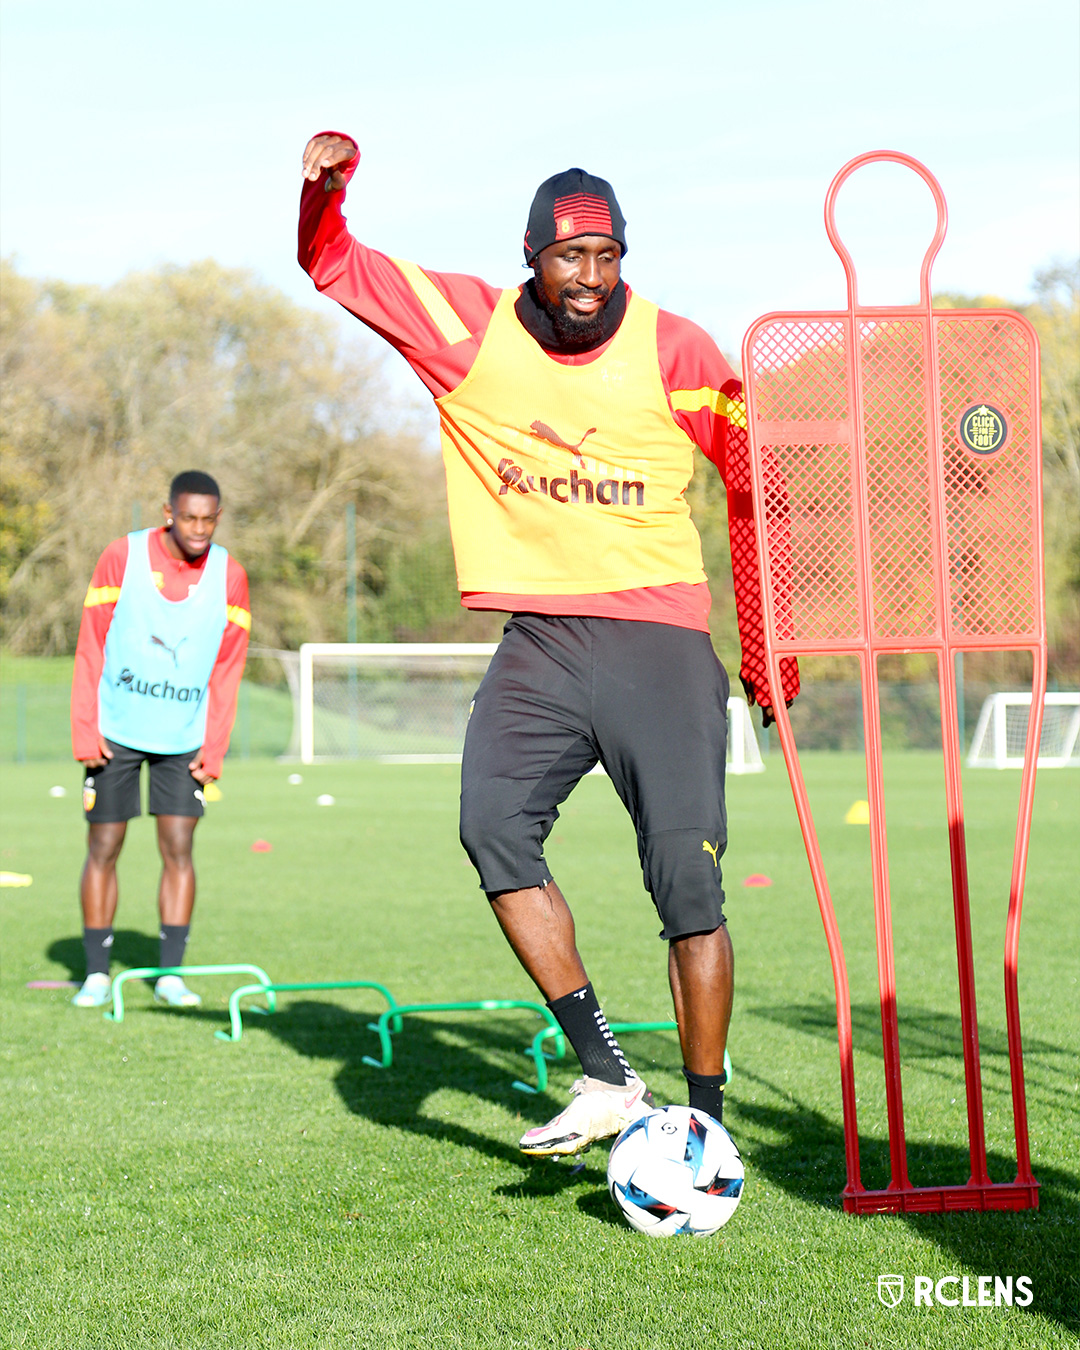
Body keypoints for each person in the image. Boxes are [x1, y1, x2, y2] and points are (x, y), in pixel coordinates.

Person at [298, 133, 798, 1156]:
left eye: (608, 258)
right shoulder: (470, 326)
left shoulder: (677, 349)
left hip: (660, 643)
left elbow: (763, 482)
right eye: (570, 259)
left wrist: (772, 646)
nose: (590, 280)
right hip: (544, 643)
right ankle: (608, 1074)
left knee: (687, 886)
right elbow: (332, 263)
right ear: (532, 256)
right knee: (492, 827)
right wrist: (325, 189)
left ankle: (703, 1125)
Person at [69, 471, 250, 1008]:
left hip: (184, 739)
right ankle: (97, 974)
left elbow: (228, 667)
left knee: (179, 849)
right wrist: (86, 729)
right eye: (189, 517)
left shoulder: (231, 575)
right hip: (115, 733)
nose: (199, 529)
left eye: (209, 519)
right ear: (169, 512)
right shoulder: (120, 558)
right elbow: (90, 647)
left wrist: (214, 745)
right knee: (104, 847)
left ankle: (170, 975)